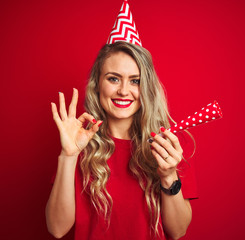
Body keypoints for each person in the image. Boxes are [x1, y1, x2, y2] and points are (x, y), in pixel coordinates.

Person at [45, 41, 198, 240]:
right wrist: (68, 155)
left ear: (147, 87)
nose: (124, 91)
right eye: (114, 79)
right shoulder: (79, 141)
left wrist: (169, 175)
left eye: (135, 80)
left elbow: (178, 231)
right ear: (97, 84)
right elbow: (57, 228)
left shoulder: (170, 145)